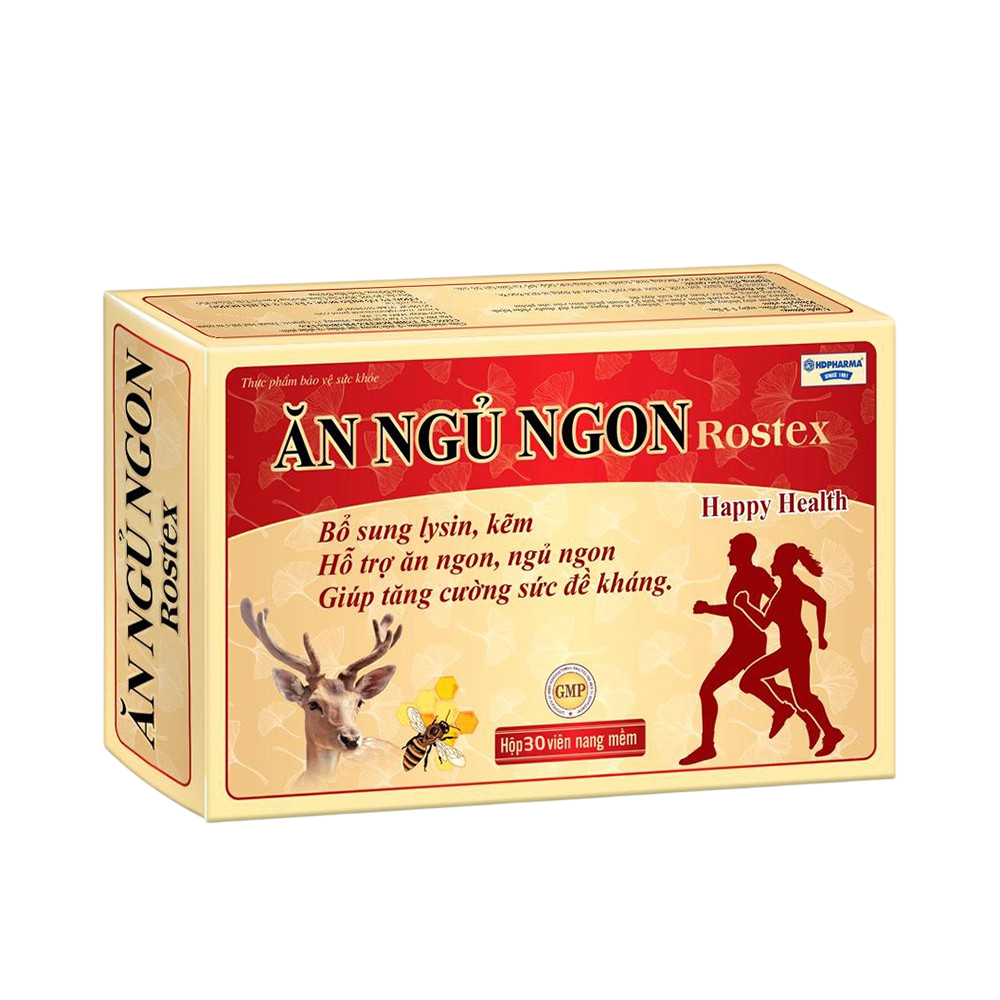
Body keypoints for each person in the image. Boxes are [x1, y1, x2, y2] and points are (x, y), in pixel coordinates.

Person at [681, 534, 819, 766]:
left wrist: (790, 627)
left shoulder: (757, 575)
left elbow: (777, 597)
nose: (728, 553)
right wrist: (708, 609)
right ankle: (807, 720)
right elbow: (734, 609)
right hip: (742, 643)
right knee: (771, 687)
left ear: (744, 551)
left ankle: (707, 747)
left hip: (749, 645)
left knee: (707, 690)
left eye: (732, 549)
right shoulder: (738, 576)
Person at [734, 543, 844, 758]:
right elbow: (764, 623)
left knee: (753, 681)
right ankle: (828, 731)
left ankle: (821, 728)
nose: (771, 565)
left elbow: (820, 603)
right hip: (791, 648)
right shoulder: (782, 591)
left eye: (775, 561)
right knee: (798, 697)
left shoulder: (793, 585)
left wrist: (821, 635)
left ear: (784, 564)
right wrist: (745, 606)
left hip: (797, 647)